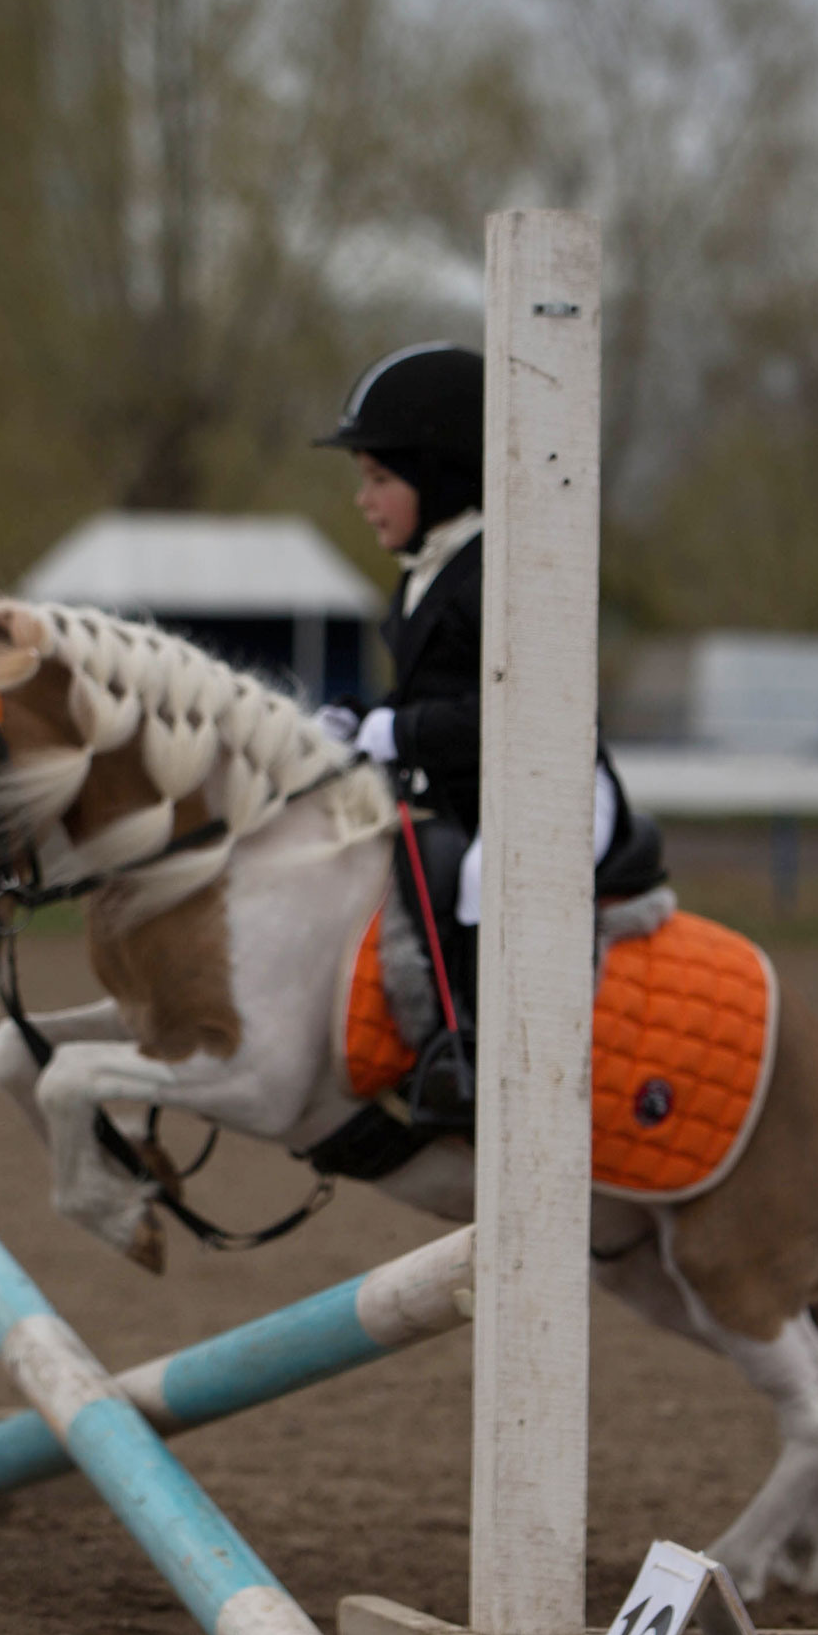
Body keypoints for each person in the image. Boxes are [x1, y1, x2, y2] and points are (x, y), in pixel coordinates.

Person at [314, 343, 658, 1112]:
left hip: (554, 785)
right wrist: (360, 720)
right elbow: (429, 692)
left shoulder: (506, 572)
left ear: (439, 478)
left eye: (379, 480)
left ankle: (495, 1066)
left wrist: (399, 734)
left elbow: (526, 711)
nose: (364, 500)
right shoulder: (427, 570)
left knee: (483, 876)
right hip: (472, 795)